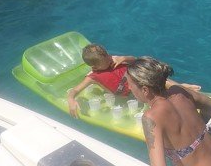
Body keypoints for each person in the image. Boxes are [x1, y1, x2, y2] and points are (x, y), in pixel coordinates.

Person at [66, 44, 199, 119]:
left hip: (139, 83)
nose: (110, 60)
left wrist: (124, 58)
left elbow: (134, 60)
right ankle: (178, 105)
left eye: (108, 57)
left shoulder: (114, 59)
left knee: (156, 78)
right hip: (130, 95)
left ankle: (183, 88)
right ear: (95, 67)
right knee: (157, 93)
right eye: (106, 62)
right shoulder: (92, 77)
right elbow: (75, 90)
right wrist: (71, 99)